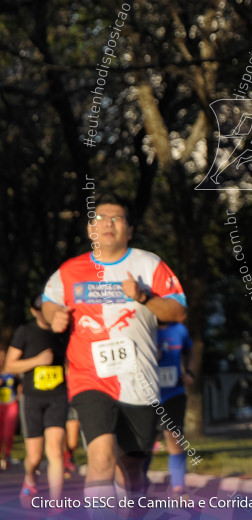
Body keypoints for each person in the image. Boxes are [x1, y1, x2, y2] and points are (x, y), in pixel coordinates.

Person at [41, 192, 187, 507]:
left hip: (140, 382)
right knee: (101, 457)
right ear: (90, 229)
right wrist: (56, 317)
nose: (107, 224)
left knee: (132, 471)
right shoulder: (69, 271)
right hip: (89, 378)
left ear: (130, 229)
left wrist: (145, 298)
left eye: (116, 218)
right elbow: (49, 303)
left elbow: (178, 313)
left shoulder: (149, 265)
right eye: (100, 219)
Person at [4, 295, 68, 503]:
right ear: (33, 312)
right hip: (32, 399)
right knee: (34, 457)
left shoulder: (63, 332)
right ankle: (30, 477)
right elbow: (10, 366)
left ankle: (56, 504)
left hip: (57, 397)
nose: (44, 313)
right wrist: (38, 361)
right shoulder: (25, 332)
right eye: (39, 310)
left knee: (56, 451)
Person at [153, 322, 194, 496]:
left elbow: (189, 351)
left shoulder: (179, 329)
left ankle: (178, 485)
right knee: (145, 441)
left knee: (174, 436)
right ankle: (137, 482)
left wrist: (189, 371)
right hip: (147, 393)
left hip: (174, 391)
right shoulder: (145, 325)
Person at [0, 352, 17, 472]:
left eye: (3, 356)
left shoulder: (13, 370)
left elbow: (20, 385)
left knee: (8, 433)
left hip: (11, 404)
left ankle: (7, 455)